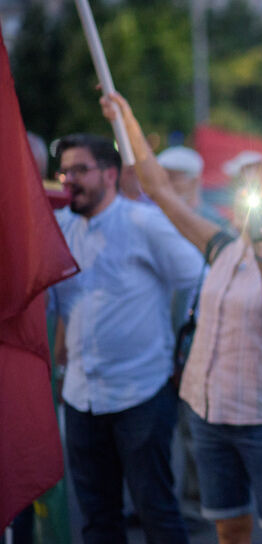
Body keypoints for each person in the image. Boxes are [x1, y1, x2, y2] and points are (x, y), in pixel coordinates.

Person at [100, 92, 262, 544]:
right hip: (207, 412)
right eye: (245, 194)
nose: (248, 203)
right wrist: (129, 120)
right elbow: (158, 189)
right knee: (229, 527)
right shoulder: (217, 246)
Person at [49, 131, 201, 544]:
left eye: (80, 170)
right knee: (99, 521)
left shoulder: (143, 222)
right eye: (64, 172)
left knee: (157, 514)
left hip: (141, 395)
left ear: (111, 174)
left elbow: (195, 275)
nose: (69, 180)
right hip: (82, 397)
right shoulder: (58, 229)